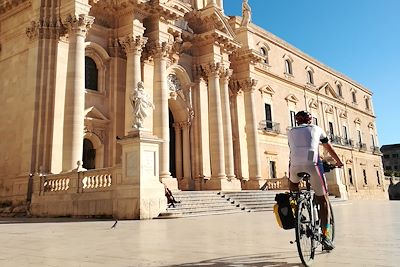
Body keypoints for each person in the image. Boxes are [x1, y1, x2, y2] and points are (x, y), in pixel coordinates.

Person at [287, 110, 343, 251]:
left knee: (293, 184)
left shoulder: (290, 131)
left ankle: (297, 208)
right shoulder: (316, 129)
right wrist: (339, 161)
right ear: (310, 120)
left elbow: (294, 149)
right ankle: (325, 235)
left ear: (297, 121)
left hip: (294, 165)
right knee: (323, 199)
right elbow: (327, 146)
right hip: (312, 164)